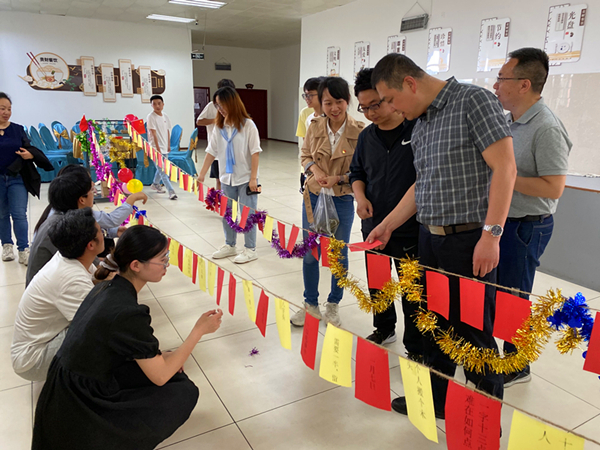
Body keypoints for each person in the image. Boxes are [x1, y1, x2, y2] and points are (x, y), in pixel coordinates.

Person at [368, 54, 517, 417]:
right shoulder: (420, 124)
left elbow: (505, 168)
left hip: (468, 241)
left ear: (410, 83)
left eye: (390, 99)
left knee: (474, 333)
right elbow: (422, 186)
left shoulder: (472, 101)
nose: (390, 109)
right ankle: (437, 399)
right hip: (429, 239)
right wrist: (388, 224)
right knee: (433, 324)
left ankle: (484, 422)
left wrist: (491, 236)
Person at [32, 225, 223, 450]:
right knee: (182, 392)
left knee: (174, 374)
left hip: (66, 384)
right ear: (136, 265)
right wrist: (199, 330)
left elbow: (121, 345)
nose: (167, 265)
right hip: (80, 400)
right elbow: (160, 376)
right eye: (162, 259)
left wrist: (164, 356)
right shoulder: (127, 312)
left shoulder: (105, 288)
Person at [494, 48, 572, 387]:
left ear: (524, 84)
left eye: (502, 79)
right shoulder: (508, 121)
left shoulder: (546, 127)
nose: (495, 85)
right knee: (498, 292)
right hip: (503, 220)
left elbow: (554, 187)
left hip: (526, 226)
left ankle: (518, 365)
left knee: (514, 295)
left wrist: (505, 177)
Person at [349, 68, 421, 353]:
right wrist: (360, 197)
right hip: (373, 224)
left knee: (413, 291)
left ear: (390, 97)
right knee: (378, 283)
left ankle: (415, 345)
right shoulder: (367, 137)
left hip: (410, 228)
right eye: (364, 108)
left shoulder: (417, 131)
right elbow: (357, 172)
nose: (370, 113)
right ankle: (384, 327)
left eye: (375, 105)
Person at [292, 77, 364, 328]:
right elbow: (305, 155)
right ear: (320, 103)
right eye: (328, 102)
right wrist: (315, 170)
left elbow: (362, 170)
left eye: (339, 102)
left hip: (342, 198)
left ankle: (333, 303)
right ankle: (310, 303)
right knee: (311, 253)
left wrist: (339, 178)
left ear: (348, 101)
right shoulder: (314, 126)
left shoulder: (360, 131)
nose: (334, 108)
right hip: (314, 196)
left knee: (338, 254)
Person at [12, 208, 104, 381]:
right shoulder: (71, 279)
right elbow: (98, 323)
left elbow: (98, 280)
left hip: (34, 347)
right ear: (90, 245)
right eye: (101, 231)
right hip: (32, 362)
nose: (104, 234)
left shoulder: (70, 258)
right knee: (99, 334)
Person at [198, 87, 262, 264]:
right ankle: (230, 245)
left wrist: (253, 179)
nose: (220, 109)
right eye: (217, 106)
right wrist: (202, 174)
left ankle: (250, 249)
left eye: (222, 105)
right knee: (228, 214)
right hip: (226, 178)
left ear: (232, 103)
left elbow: (255, 152)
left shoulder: (248, 125)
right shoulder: (219, 127)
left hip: (246, 178)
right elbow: (211, 151)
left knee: (247, 214)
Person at [0, 92, 53, 264]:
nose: (6, 112)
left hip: (17, 178)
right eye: (2, 108)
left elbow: (28, 147)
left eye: (9, 109)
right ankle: (7, 245)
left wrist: (30, 154)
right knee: (2, 214)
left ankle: (23, 249)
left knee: (19, 214)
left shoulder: (17, 129)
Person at [35, 164, 147, 240]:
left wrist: (114, 231)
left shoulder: (61, 208)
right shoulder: (72, 216)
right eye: (89, 185)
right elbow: (112, 220)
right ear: (81, 199)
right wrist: (131, 200)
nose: (93, 185)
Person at [26, 171, 93, 286]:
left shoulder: (60, 217)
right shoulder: (65, 227)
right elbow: (87, 265)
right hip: (52, 291)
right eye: (91, 190)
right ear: (82, 199)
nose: (94, 193)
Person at [197, 79, 236, 191]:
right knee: (219, 179)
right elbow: (199, 121)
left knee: (232, 180)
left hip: (232, 152)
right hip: (217, 150)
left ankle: (226, 199)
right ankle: (220, 199)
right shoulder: (211, 106)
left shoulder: (236, 108)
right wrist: (216, 121)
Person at [296, 77, 323, 191]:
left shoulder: (330, 116)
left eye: (311, 95)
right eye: (306, 95)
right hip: (309, 168)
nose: (307, 98)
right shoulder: (306, 114)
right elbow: (306, 144)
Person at [148, 95, 177, 200]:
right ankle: (171, 191)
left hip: (164, 147)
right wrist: (158, 149)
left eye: (159, 103)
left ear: (163, 104)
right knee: (163, 170)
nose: (157, 106)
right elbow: (154, 134)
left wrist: (168, 144)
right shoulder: (151, 117)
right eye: (154, 104)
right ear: (151, 105)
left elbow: (168, 131)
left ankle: (155, 184)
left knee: (161, 169)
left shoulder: (165, 116)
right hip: (155, 148)